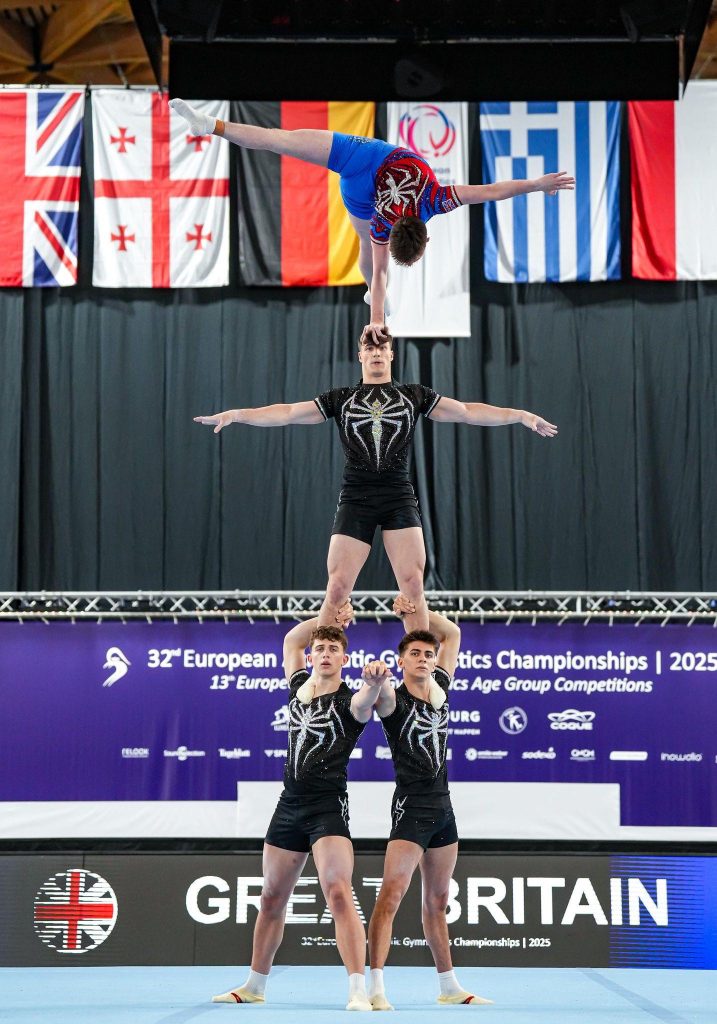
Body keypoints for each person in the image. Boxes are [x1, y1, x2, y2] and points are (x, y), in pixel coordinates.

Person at [195, 328, 558, 634]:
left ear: (392, 355)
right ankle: (325, 676)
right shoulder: (341, 399)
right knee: (337, 588)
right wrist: (237, 414)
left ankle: (419, 679)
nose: (376, 353)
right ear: (360, 357)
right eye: (370, 349)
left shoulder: (413, 395)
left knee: (413, 586)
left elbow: (466, 412)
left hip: (398, 496)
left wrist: (520, 415)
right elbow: (288, 412)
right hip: (357, 498)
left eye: (382, 348)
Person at [169, 98, 574, 338]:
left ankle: (211, 125)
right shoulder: (382, 225)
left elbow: (492, 190)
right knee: (366, 247)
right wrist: (376, 319)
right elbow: (380, 275)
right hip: (361, 192)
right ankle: (209, 125)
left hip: (367, 156)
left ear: (425, 235)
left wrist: (537, 183)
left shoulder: (436, 199)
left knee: (282, 141)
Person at [212, 603, 387, 1010]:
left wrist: (375, 682)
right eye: (319, 648)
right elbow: (292, 640)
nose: (324, 653)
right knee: (271, 897)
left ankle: (357, 989)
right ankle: (254, 986)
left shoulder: (351, 701)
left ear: (344, 659)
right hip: (289, 806)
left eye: (333, 649)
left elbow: (367, 701)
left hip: (327, 808)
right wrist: (328, 620)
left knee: (338, 892)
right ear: (312, 657)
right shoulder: (299, 689)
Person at [364, 595, 492, 1010]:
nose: (423, 659)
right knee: (391, 895)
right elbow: (374, 695)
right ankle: (375, 986)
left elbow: (451, 633)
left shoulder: (440, 689)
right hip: (411, 809)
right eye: (415, 654)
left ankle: (449, 987)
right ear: (401, 661)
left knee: (437, 901)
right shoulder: (392, 699)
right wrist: (375, 678)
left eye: (428, 654)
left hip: (443, 810)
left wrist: (415, 608)